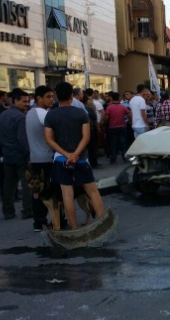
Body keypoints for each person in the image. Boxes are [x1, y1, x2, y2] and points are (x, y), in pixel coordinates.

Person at [44, 82, 105, 229]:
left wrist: (66, 154)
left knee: (67, 194)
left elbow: (48, 139)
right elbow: (86, 137)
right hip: (81, 158)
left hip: (60, 158)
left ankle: (73, 227)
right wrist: (76, 154)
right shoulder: (80, 113)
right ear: (72, 95)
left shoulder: (50, 115)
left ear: (57, 96)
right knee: (92, 191)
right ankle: (103, 222)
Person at [0, 88, 32, 220]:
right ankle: (27, 210)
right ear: (15, 101)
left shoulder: (2, 115)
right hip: (19, 155)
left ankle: (8, 211)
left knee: (9, 185)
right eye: (24, 101)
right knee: (26, 184)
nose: (26, 104)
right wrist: (28, 155)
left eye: (27, 101)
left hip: (7, 154)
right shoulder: (20, 117)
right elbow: (23, 139)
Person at [26, 85, 55, 231]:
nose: (52, 100)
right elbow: (53, 135)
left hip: (35, 158)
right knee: (50, 192)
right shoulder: (44, 114)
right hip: (47, 158)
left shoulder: (30, 113)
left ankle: (39, 222)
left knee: (37, 192)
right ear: (39, 98)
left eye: (52, 96)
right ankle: (54, 221)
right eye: (48, 97)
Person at [104, 92, 131, 164]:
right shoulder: (123, 107)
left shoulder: (109, 107)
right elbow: (129, 115)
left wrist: (106, 122)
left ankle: (113, 158)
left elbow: (106, 117)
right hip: (122, 126)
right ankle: (124, 157)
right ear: (119, 98)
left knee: (113, 144)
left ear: (112, 98)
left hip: (112, 127)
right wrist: (130, 121)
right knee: (123, 143)